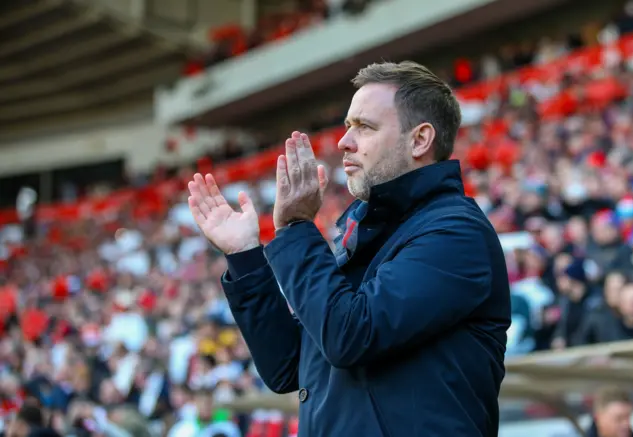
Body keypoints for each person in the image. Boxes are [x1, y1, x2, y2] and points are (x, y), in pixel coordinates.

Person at [188, 61, 512, 437]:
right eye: (347, 126)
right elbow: (289, 364)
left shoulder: (455, 232)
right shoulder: (366, 232)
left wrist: (296, 228)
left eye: (365, 127)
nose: (344, 142)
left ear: (420, 140)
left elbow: (349, 336)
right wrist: (245, 256)